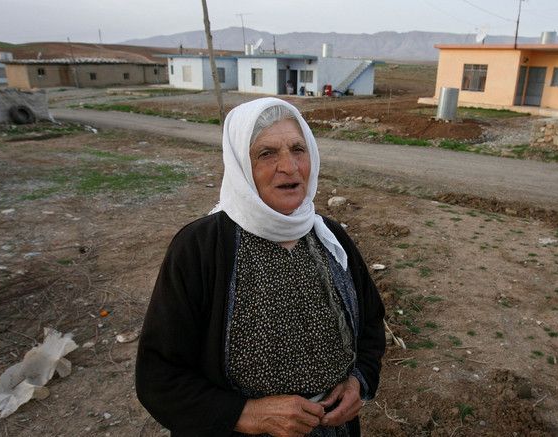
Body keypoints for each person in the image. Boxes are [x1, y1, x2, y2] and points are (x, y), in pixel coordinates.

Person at [136, 97, 386, 437]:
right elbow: (158, 376)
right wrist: (245, 414)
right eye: (267, 153)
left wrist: (360, 380)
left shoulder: (330, 237)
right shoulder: (200, 247)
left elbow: (371, 322)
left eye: (298, 149)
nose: (290, 167)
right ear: (240, 164)